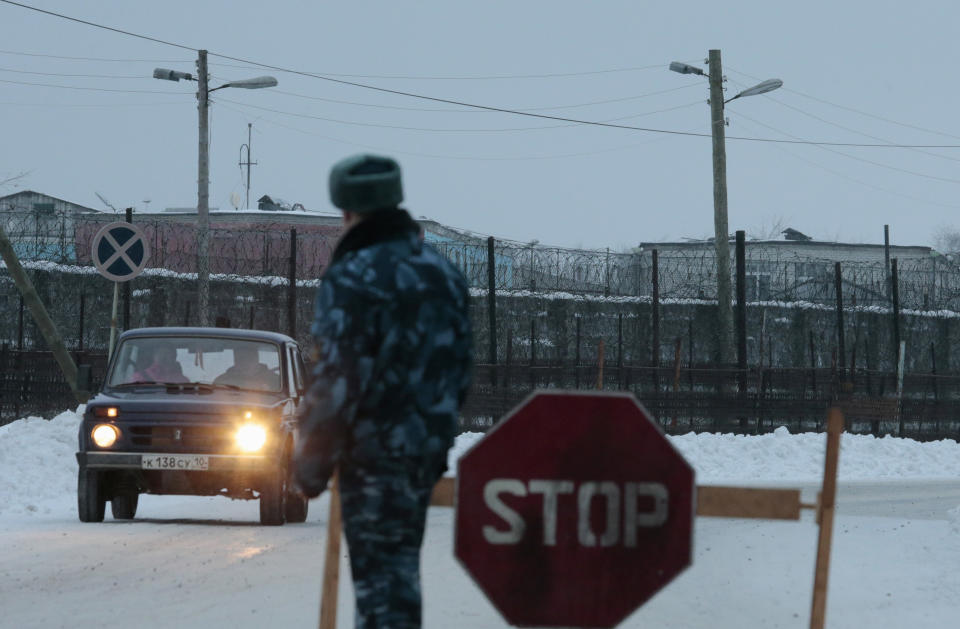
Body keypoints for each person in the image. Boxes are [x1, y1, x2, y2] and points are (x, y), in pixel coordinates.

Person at [294, 154, 472, 629]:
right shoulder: (444, 273)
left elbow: (335, 381)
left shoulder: (354, 276)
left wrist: (310, 464)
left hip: (372, 457)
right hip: (423, 454)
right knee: (399, 577)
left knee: (381, 592)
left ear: (348, 212)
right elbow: (461, 368)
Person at [213, 344, 279, 390]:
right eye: (240, 359)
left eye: (248, 358)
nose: (244, 362)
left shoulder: (275, 381)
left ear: (256, 359)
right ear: (235, 360)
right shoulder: (222, 381)